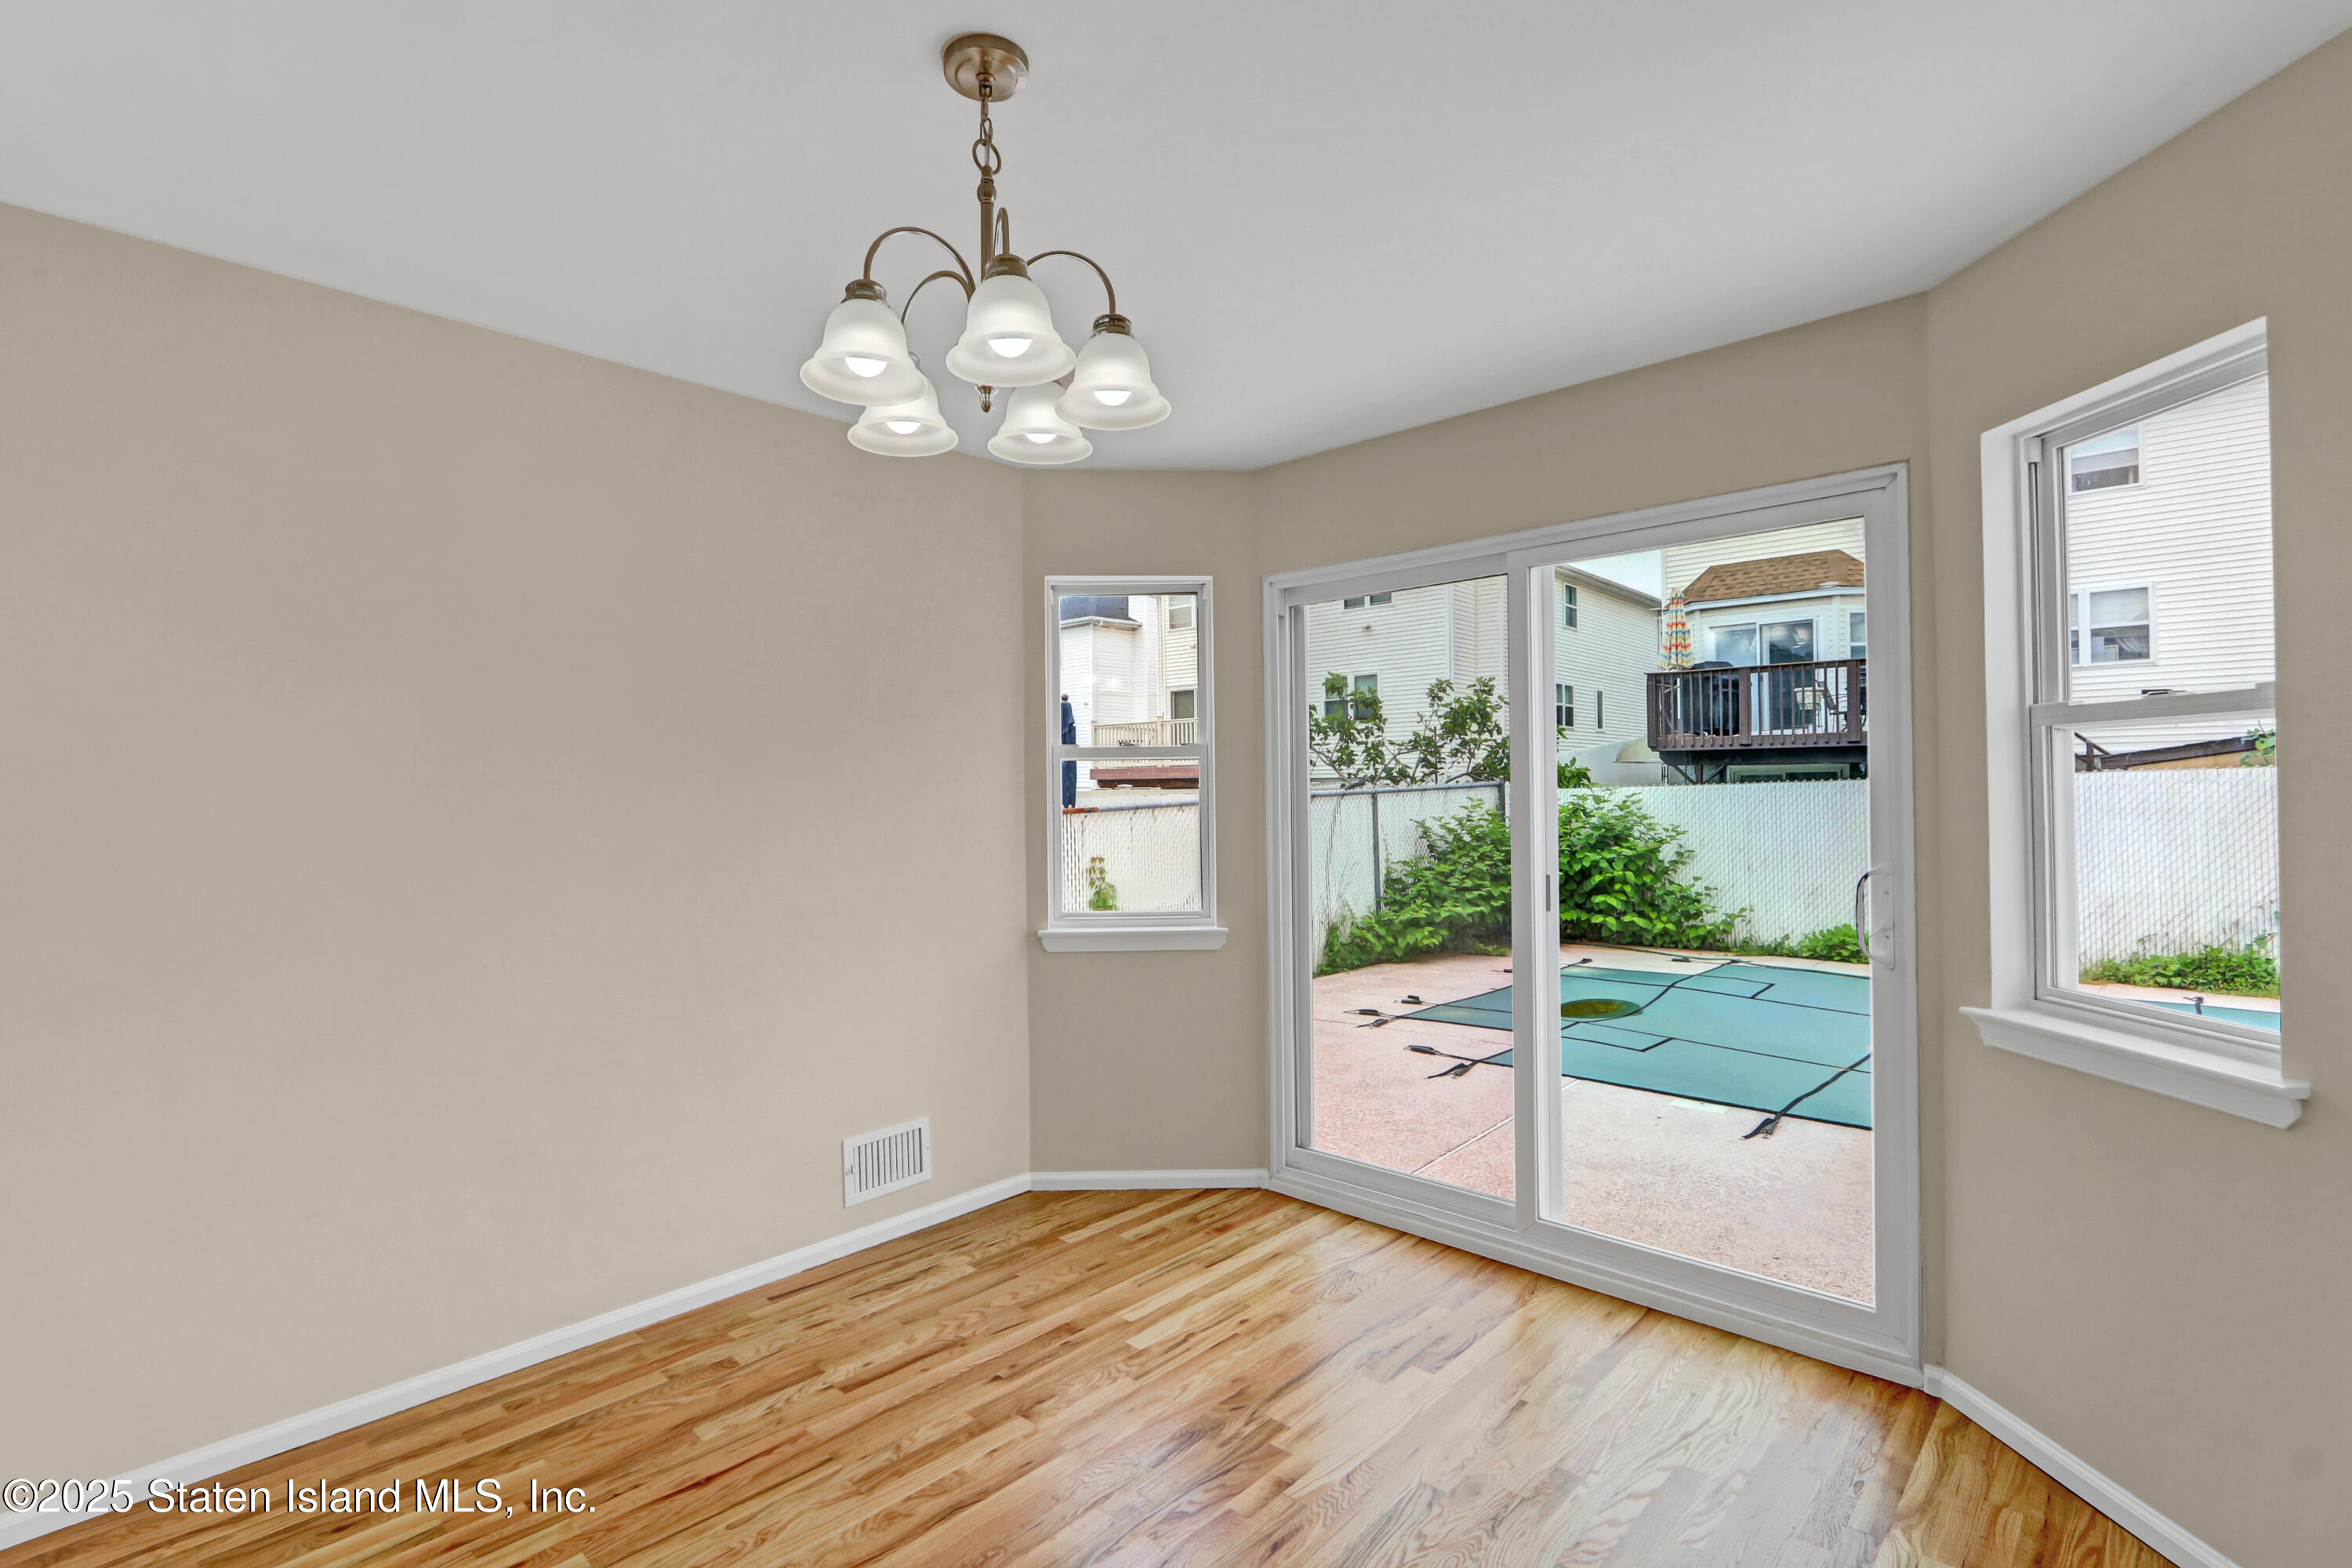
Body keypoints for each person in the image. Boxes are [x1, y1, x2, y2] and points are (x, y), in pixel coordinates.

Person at [1060, 695, 1078, 808]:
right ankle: (1068, 801)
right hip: (1068, 757)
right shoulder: (1069, 731)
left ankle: (1067, 801)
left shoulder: (1063, 731)